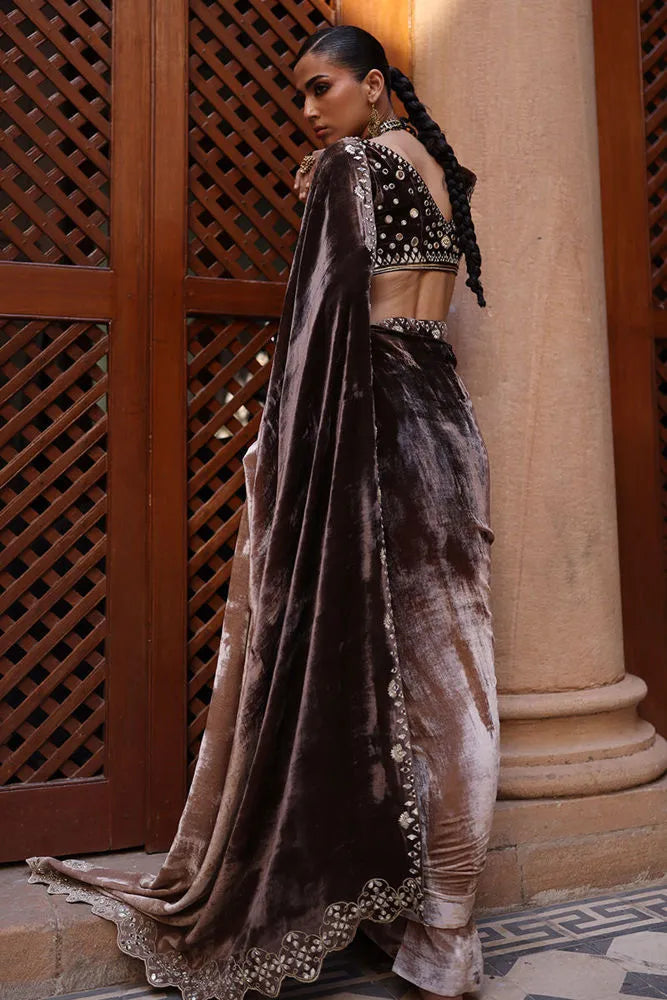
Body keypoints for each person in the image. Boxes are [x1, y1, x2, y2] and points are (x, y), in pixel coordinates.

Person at [26, 24, 499, 1000]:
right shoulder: (435, 172)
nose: (308, 111)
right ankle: (437, 929)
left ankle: (403, 913)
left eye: (322, 88)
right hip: (447, 424)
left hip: (374, 421)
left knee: (390, 674)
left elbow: (318, 327)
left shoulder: (351, 167)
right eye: (302, 94)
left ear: (374, 85)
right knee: (452, 676)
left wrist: (278, 451)